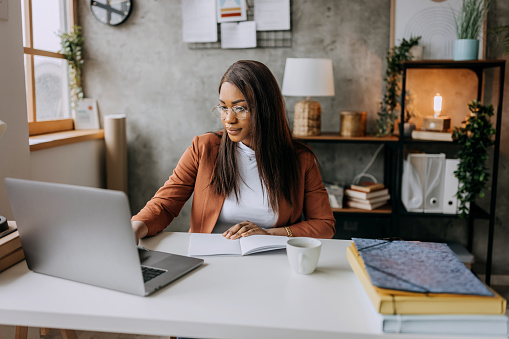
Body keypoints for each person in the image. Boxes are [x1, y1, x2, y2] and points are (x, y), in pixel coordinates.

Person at [131, 60, 335, 243]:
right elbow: (165, 204)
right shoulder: (204, 148)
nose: (229, 119)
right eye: (223, 107)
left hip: (270, 261)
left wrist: (269, 234)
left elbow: (324, 224)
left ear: (266, 109)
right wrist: (134, 229)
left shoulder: (300, 159)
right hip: (209, 260)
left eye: (240, 108)